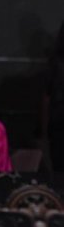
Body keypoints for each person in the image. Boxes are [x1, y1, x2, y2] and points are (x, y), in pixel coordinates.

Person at [41, 22, 64, 172]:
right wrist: (44, 135)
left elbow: (46, 99)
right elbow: (46, 99)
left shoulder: (55, 62)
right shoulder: (56, 63)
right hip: (59, 128)